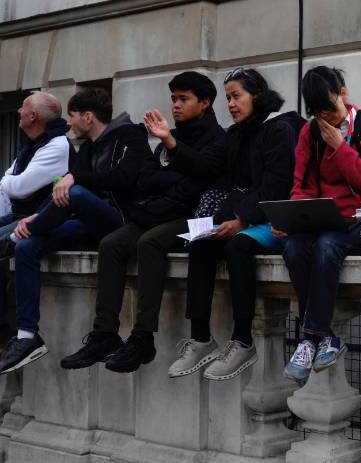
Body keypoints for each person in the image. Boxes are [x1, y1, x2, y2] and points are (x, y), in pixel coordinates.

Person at [59, 73, 226, 373]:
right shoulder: (168, 135)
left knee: (149, 243)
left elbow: (202, 180)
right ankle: (104, 334)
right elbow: (145, 178)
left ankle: (142, 337)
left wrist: (173, 155)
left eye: (183, 99)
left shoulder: (217, 138)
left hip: (195, 218)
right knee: (111, 244)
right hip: (159, 212)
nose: (175, 104)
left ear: (204, 103)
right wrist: (174, 172)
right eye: (173, 98)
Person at [0, 88, 154, 374]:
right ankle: (26, 337)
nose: (68, 123)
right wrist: (37, 217)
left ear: (88, 116)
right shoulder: (86, 150)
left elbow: (123, 180)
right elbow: (61, 198)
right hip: (87, 224)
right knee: (27, 246)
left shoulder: (130, 136)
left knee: (78, 193)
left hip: (121, 221)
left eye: (71, 116)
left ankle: (10, 238)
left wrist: (73, 179)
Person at [168, 68, 304, 381]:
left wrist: (241, 220)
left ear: (256, 96)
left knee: (238, 246)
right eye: (228, 97)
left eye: (236, 96)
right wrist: (169, 142)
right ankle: (201, 338)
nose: (230, 104)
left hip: (278, 218)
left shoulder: (280, 130)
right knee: (200, 241)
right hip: (246, 214)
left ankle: (242, 340)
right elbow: (216, 174)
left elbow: (276, 187)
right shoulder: (237, 134)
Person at [278, 67, 361, 380]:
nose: (328, 118)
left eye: (331, 109)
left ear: (343, 95)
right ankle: (323, 339)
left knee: (327, 245)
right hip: (327, 219)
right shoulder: (309, 133)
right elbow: (301, 186)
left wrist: (340, 147)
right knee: (293, 246)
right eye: (319, 113)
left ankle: (310, 337)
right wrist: (293, 217)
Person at [0, 93, 69, 344]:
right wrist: (9, 183)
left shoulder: (57, 145)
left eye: (23, 107)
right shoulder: (33, 143)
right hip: (18, 213)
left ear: (33, 116)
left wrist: (7, 182)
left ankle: (7, 328)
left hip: (37, 216)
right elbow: (10, 183)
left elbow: (17, 187)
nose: (18, 110)